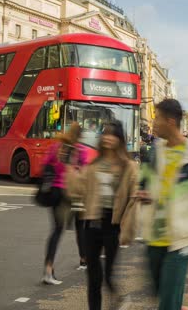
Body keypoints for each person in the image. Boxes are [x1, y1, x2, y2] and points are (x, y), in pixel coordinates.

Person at [137, 99, 188, 310]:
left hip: (181, 236)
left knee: (167, 302)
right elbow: (145, 179)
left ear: (170, 121)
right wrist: (142, 190)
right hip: (154, 235)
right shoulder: (155, 151)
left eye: (157, 118)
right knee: (160, 292)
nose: (153, 123)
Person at [65, 122, 140, 310]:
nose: (108, 137)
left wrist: (129, 225)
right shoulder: (94, 164)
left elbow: (133, 195)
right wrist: (70, 169)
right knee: (93, 277)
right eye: (105, 134)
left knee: (108, 275)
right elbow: (78, 189)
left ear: (119, 139)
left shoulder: (128, 166)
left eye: (113, 135)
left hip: (112, 224)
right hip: (91, 223)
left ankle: (119, 298)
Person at [40, 123, 87, 285]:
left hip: (54, 192)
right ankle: (82, 258)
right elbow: (84, 173)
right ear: (80, 136)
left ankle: (48, 269)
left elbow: (45, 165)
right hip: (71, 194)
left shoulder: (57, 147)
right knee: (80, 225)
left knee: (56, 230)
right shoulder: (81, 150)